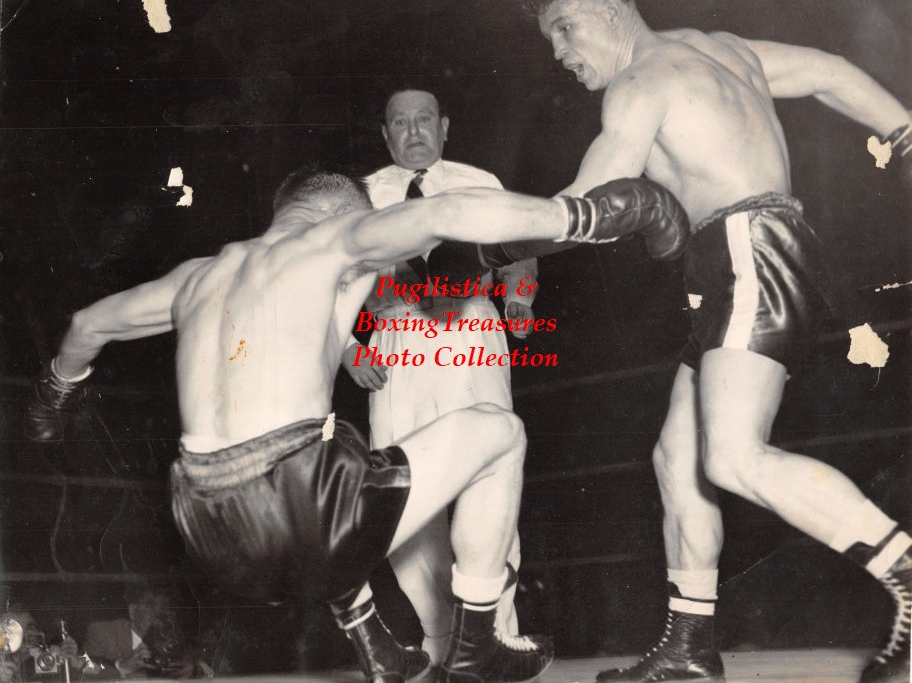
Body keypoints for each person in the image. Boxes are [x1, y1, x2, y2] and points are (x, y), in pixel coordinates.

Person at [23, 166, 689, 680]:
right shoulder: (338, 237)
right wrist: (600, 213)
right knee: (497, 432)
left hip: (205, 526)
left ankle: (381, 652)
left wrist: (53, 398)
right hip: (299, 498)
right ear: (347, 211)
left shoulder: (198, 274)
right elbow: (451, 211)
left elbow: (87, 326)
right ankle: (478, 644)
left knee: (340, 456)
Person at [524, 0, 912, 682]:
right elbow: (829, 71)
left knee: (731, 456)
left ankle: (907, 571)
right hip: (741, 258)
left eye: (564, 28)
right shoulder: (723, 47)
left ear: (610, 11)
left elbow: (583, 201)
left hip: (745, 251)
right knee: (678, 456)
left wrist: (493, 237)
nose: (560, 53)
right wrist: (904, 132)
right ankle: (690, 645)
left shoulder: (640, 82)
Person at [342, 87, 537, 666]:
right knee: (402, 490)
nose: (412, 130)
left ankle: (495, 634)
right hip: (396, 336)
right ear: (385, 133)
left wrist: (520, 300)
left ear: (444, 126)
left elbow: (520, 247)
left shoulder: (479, 179)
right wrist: (350, 349)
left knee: (490, 471)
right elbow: (329, 277)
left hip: (469, 330)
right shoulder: (361, 194)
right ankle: (437, 636)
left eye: (423, 119)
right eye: (399, 122)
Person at [82, 590, 210, 679]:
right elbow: (83, 673)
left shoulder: (176, 636)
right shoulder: (101, 632)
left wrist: (195, 669)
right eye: (150, 605)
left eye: (165, 606)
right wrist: (122, 667)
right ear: (132, 611)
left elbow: (207, 667)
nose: (158, 612)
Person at [0, 609, 86, 683]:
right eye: (12, 632)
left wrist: (74, 665)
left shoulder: (49, 663)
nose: (25, 638)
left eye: (31, 629)